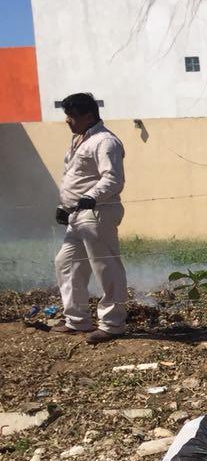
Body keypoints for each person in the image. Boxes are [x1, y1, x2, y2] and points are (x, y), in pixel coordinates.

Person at [51, 92, 128, 345]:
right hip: (78, 214)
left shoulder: (106, 142)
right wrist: (65, 206)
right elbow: (76, 178)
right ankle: (76, 320)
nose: (67, 121)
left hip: (98, 213)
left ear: (88, 116)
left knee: (105, 267)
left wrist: (91, 196)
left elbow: (113, 178)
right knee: (66, 262)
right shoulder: (79, 140)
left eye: (72, 116)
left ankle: (113, 324)